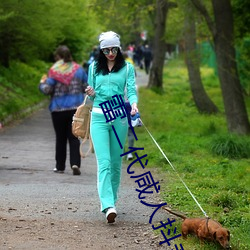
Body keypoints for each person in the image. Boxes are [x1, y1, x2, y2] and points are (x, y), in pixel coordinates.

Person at [85, 31, 138, 223]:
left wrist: (133, 104)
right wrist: (90, 92)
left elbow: (131, 90)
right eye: (106, 50)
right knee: (104, 162)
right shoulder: (93, 68)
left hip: (119, 119)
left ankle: (113, 201)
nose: (110, 53)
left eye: (114, 49)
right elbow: (91, 97)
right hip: (98, 117)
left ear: (119, 48)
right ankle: (107, 205)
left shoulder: (127, 68)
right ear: (101, 50)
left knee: (116, 163)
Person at [39, 45, 88, 175]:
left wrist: (42, 83)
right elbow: (86, 87)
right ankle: (75, 163)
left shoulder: (54, 71)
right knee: (74, 137)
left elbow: (47, 90)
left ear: (58, 57)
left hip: (58, 109)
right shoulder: (79, 70)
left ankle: (60, 166)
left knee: (60, 138)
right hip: (75, 109)